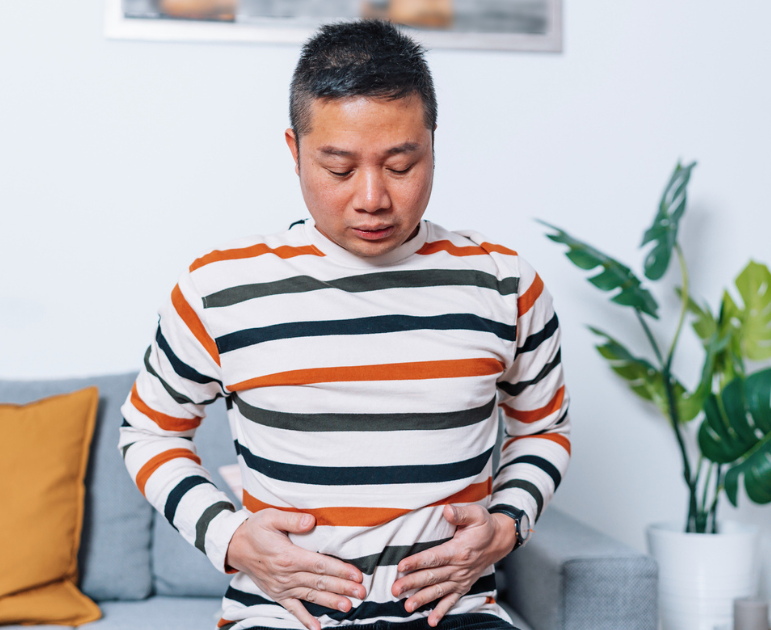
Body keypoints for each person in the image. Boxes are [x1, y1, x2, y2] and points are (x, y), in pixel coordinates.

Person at [119, 19, 570, 630]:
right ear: (294, 150)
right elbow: (148, 432)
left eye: (401, 164)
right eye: (338, 168)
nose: (372, 198)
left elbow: (543, 429)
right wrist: (230, 538)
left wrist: (507, 525)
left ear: (433, 144)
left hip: (452, 614)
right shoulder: (219, 287)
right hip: (281, 618)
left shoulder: (505, 283)